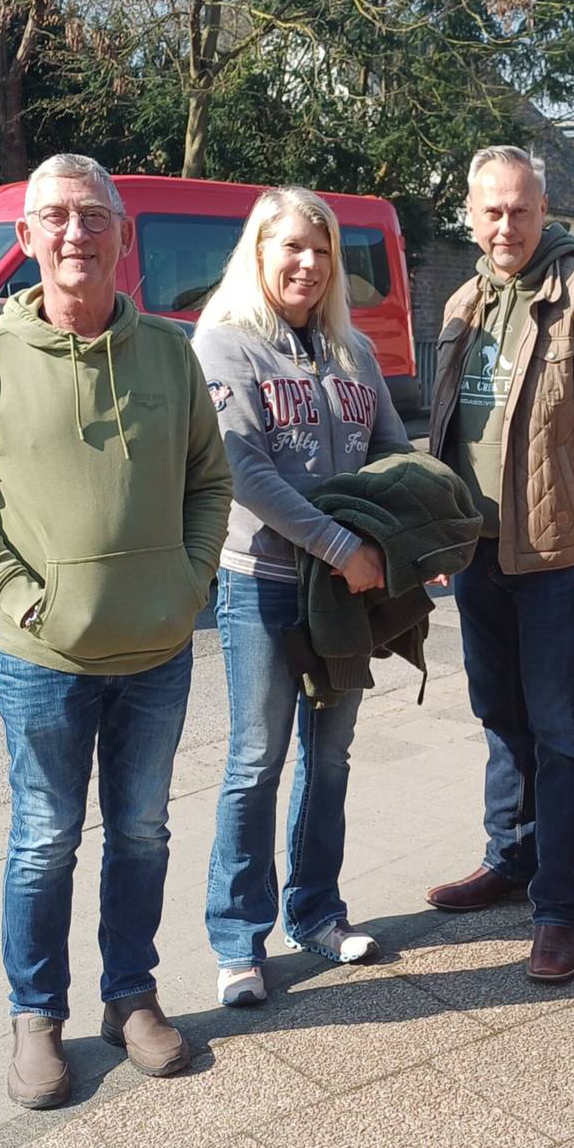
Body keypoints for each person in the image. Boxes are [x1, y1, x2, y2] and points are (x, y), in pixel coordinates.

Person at [0, 153, 232, 1107]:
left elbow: (210, 484)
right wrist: (25, 600)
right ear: (25, 238)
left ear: (122, 235)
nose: (76, 233)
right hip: (43, 658)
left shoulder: (171, 355)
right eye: (56, 216)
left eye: (95, 216)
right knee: (44, 840)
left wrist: (189, 580)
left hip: (158, 649)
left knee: (141, 832)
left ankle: (130, 996)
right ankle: (36, 1016)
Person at [422, 145, 574, 984]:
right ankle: (508, 858)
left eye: (520, 209)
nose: (506, 225)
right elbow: (446, 431)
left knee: (557, 731)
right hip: (475, 550)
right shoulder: (466, 301)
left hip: (554, 557)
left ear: (544, 211)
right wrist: (434, 536)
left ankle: (557, 905)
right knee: (498, 714)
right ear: (471, 215)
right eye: (492, 211)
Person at [191, 188, 410, 1008]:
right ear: (259, 251)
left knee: (332, 756)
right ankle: (237, 941)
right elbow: (241, 470)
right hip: (264, 584)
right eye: (292, 246)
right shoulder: (225, 344)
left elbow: (391, 451)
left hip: (344, 594)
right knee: (256, 760)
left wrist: (411, 536)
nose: (309, 263)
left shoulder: (353, 350)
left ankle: (315, 912)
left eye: (322, 250)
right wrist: (340, 545)